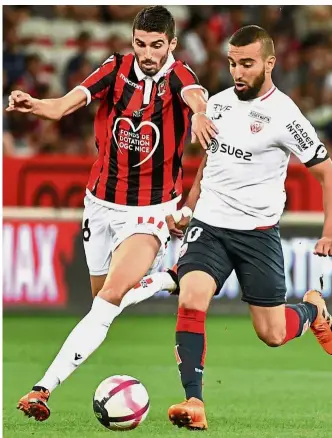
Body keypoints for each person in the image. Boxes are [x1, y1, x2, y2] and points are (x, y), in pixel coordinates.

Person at [9, 6, 217, 421]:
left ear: (172, 44)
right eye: (140, 43)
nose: (147, 53)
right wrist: (36, 104)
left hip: (150, 213)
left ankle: (41, 389)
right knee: (103, 302)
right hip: (99, 207)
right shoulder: (116, 69)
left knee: (108, 301)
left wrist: (198, 114)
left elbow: (196, 96)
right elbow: (66, 105)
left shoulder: (180, 77)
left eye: (157, 45)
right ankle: (167, 279)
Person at [165, 25, 332, 431]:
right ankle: (194, 401)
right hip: (209, 225)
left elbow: (330, 177)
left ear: (269, 63)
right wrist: (188, 208)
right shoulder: (218, 104)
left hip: (257, 233)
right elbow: (210, 164)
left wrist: (330, 230)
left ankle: (313, 309)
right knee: (191, 299)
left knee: (273, 334)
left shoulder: (286, 116)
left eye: (246, 63)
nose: (237, 72)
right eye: (231, 63)